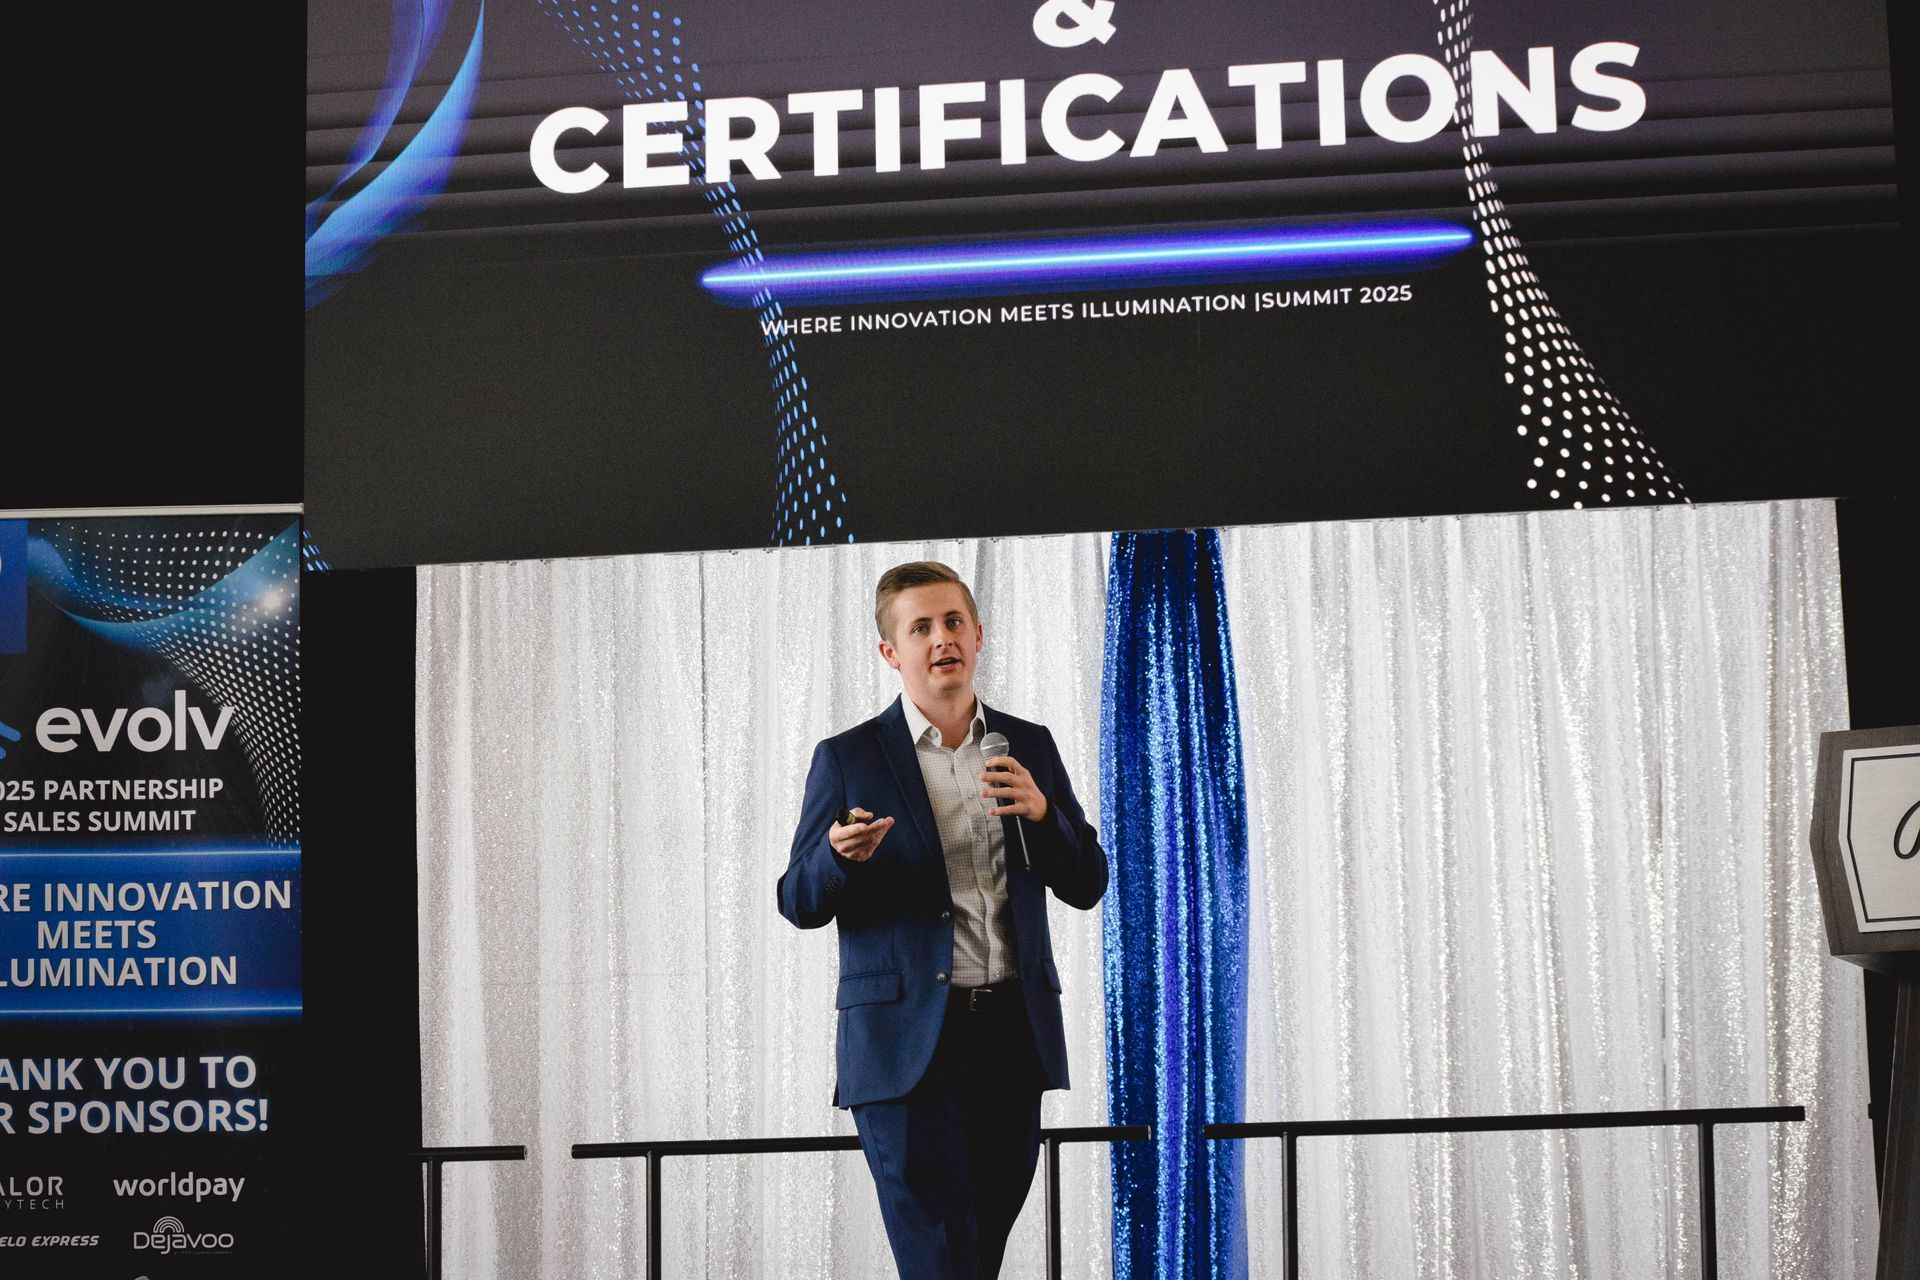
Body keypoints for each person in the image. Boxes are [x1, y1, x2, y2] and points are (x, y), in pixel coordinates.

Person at [777, 560, 1108, 1279]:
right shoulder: (849, 758)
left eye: (953, 621)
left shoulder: (1028, 745)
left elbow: (1087, 883)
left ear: (978, 634)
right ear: (890, 651)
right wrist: (837, 857)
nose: (941, 639)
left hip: (1012, 1038)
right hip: (903, 1047)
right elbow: (797, 899)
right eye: (920, 628)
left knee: (977, 1256)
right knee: (937, 1255)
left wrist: (1044, 816)